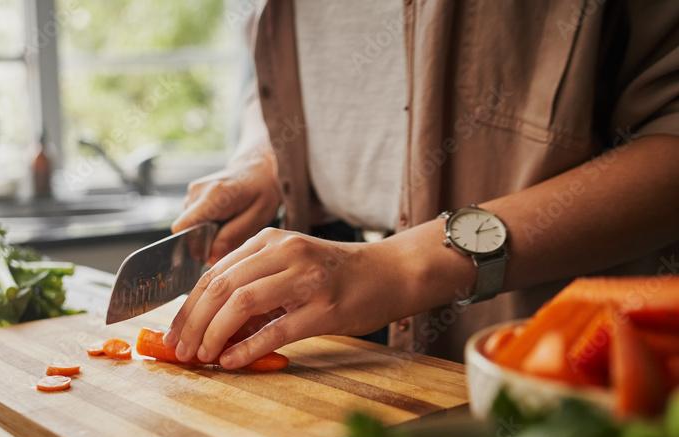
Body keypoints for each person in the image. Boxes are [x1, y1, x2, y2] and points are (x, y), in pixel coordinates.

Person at [164, 0, 679, 368]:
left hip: (546, 334)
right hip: (328, 301)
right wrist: (264, 156)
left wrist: (404, 265)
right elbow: (279, 76)